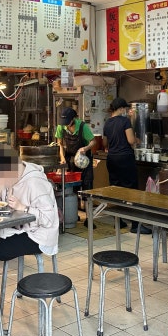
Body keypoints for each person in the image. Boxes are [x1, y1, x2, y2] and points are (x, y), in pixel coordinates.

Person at [0, 144, 59, 288]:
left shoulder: (35, 183)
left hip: (38, 235)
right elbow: (4, 202)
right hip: (19, 228)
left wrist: (23, 207)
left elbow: (49, 219)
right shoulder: (13, 177)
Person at [101, 97, 151, 234]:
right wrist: (137, 140)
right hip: (125, 159)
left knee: (116, 190)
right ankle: (135, 225)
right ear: (122, 108)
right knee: (132, 191)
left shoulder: (107, 123)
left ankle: (119, 221)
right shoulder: (125, 121)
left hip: (112, 159)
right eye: (125, 108)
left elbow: (105, 143)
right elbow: (130, 140)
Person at [55, 106, 95, 189]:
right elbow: (60, 144)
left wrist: (85, 148)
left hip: (84, 159)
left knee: (86, 185)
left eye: (67, 122)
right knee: (73, 187)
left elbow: (93, 141)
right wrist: (62, 157)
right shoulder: (61, 126)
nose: (66, 125)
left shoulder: (82, 126)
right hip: (71, 160)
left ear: (73, 119)